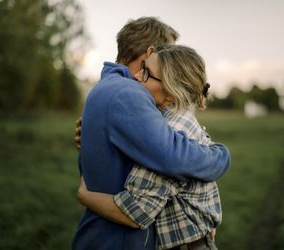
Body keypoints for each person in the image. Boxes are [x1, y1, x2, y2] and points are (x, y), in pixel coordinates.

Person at [72, 17, 230, 250]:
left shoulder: (105, 88)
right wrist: (221, 156)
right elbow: (174, 156)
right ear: (151, 52)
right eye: (168, 53)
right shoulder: (129, 93)